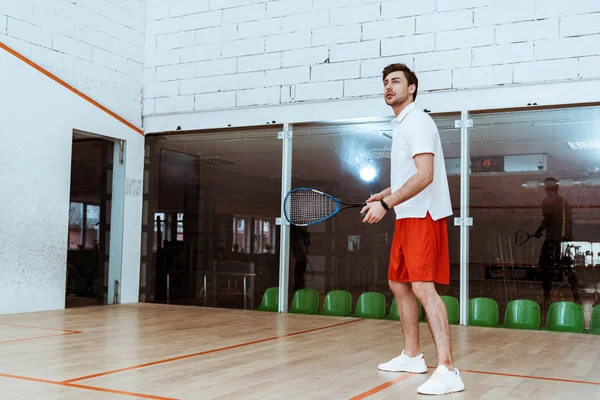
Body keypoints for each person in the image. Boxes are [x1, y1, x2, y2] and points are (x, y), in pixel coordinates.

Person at [361, 63, 464, 395]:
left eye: (396, 81)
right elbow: (409, 175)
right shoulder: (402, 123)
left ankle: (448, 368)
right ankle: (412, 356)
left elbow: (425, 175)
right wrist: (385, 193)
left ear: (413, 88)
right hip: (406, 216)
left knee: (422, 287)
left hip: (424, 216)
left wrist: (386, 204)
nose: (389, 87)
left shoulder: (417, 120)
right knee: (399, 284)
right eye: (386, 82)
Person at [533, 177, 580, 313]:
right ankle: (574, 297)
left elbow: (547, 220)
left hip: (559, 241)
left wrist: (537, 232)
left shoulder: (551, 202)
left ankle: (550, 298)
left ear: (556, 188)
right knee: (562, 268)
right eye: (547, 188)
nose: (548, 191)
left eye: (550, 188)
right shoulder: (563, 202)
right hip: (561, 241)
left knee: (548, 268)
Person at [290, 225, 310, 291]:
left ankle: (298, 286)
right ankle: (299, 286)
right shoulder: (299, 239)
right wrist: (305, 256)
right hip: (300, 259)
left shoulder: (296, 239)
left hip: (300, 259)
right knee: (299, 274)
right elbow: (302, 248)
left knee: (299, 274)